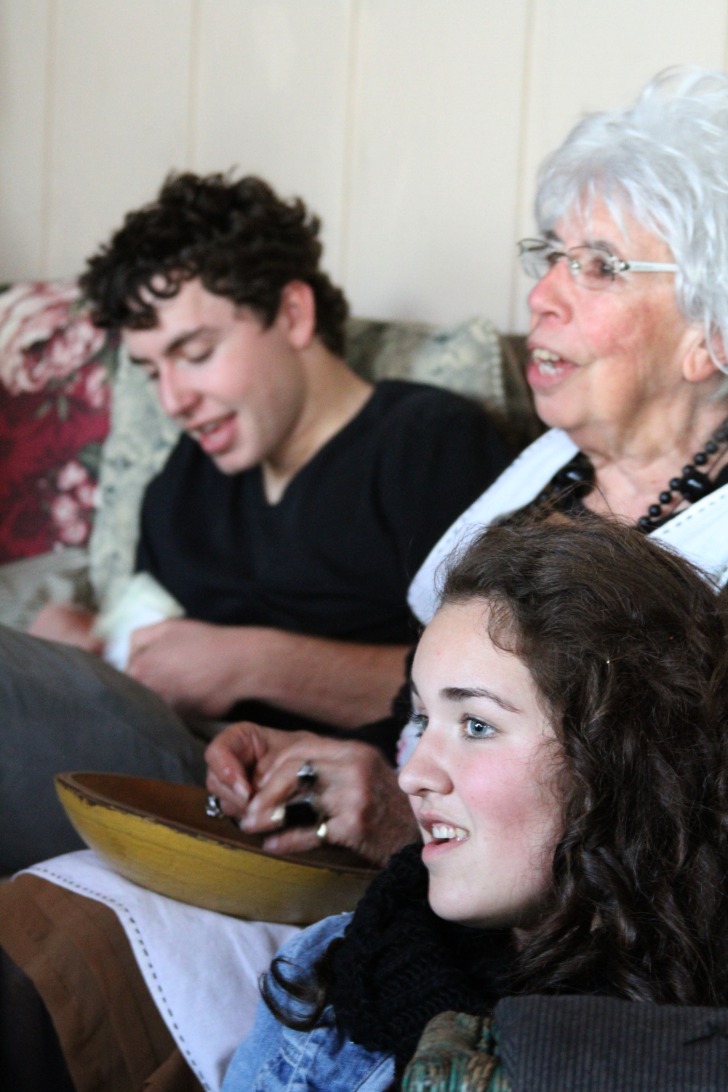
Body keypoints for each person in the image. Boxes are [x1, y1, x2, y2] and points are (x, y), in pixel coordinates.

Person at [5, 62, 728, 1089]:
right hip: (379, 879)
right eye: (549, 256)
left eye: (600, 267)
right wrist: (329, 768)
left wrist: (401, 804)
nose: (541, 295)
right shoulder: (541, 480)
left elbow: (656, 854)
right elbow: (417, 715)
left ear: (710, 332)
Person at [3, 170, 508, 870]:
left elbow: (497, 689)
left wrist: (251, 663)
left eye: (196, 354)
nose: (174, 400)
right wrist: (85, 647)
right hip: (177, 752)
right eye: (151, 371)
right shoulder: (183, 481)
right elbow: (149, 642)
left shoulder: (428, 443)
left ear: (293, 314)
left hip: (303, 802)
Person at [222, 515, 728, 1091]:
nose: (413, 775)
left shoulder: (693, 1045)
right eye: (423, 720)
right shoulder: (335, 971)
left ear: (622, 757)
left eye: (476, 725)